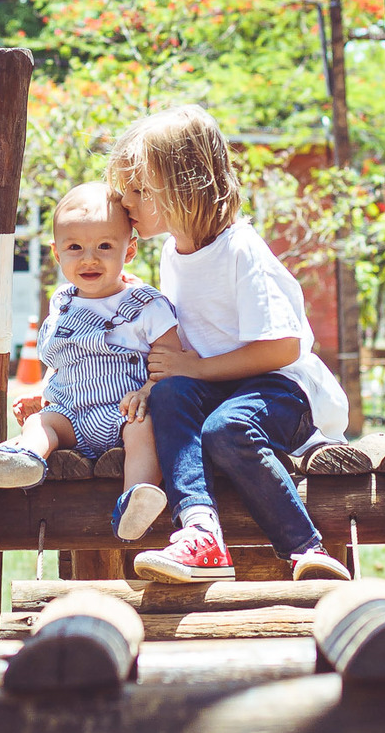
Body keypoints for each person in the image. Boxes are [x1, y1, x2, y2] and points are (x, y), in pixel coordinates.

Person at [107, 104, 353, 583]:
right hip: (222, 388)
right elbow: (181, 351)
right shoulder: (171, 256)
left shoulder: (239, 249)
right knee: (170, 395)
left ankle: (306, 548)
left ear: (184, 186)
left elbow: (281, 349)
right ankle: (201, 533)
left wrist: (194, 370)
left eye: (139, 190)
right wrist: (155, 382)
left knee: (225, 429)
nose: (127, 202)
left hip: (280, 389)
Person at [0, 182, 178, 543]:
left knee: (145, 428)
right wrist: (43, 393)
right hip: (71, 415)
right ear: (57, 253)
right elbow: (62, 360)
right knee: (40, 422)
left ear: (129, 251)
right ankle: (24, 459)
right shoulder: (62, 302)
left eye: (105, 247)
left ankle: (136, 498)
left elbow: (173, 361)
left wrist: (149, 390)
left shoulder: (148, 305)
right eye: (75, 248)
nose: (89, 259)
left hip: (123, 411)